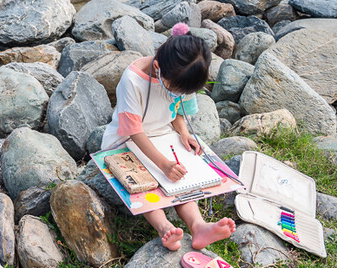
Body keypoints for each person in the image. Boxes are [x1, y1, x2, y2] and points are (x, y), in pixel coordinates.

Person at [101, 23, 236, 251]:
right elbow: (134, 131)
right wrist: (163, 165)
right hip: (126, 141)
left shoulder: (182, 76)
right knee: (144, 183)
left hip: (163, 135)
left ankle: (198, 226)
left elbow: (177, 110)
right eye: (174, 89)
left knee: (182, 178)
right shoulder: (133, 80)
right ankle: (164, 228)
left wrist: (183, 133)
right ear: (157, 67)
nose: (178, 94)